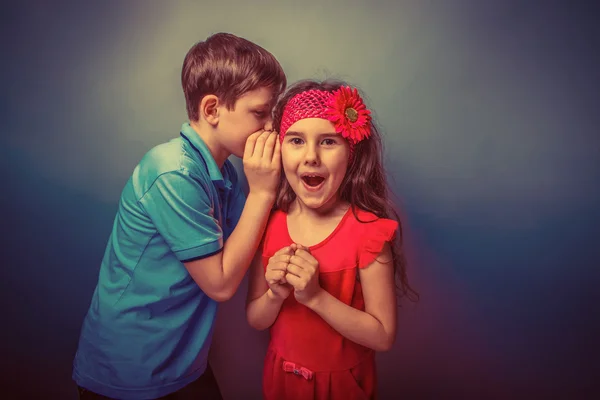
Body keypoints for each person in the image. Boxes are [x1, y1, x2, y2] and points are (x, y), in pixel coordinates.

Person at [72, 32, 286, 399]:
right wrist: (263, 192)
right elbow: (220, 283)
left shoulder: (227, 175)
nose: (270, 127)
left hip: (181, 363)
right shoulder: (173, 172)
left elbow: (245, 246)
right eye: (260, 112)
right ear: (213, 110)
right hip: (129, 370)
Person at [246, 79, 418, 399]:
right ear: (280, 148)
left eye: (328, 141)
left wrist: (315, 298)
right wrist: (275, 294)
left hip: (341, 388)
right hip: (282, 382)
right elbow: (256, 319)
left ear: (351, 154)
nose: (311, 156)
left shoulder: (369, 233)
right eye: (296, 140)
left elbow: (382, 336)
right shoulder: (268, 225)